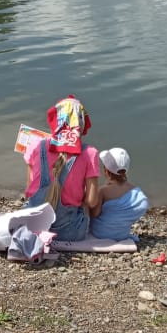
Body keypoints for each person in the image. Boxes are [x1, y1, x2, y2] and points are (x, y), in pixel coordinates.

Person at [23, 95, 99, 240]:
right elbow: (92, 201)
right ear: (81, 122)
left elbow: (28, 192)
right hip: (70, 232)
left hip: (33, 226)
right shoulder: (90, 153)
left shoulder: (36, 146)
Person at [90, 147, 149, 241]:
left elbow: (95, 214)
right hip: (121, 234)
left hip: (100, 232)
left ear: (106, 171)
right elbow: (142, 206)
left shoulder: (103, 191)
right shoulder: (135, 191)